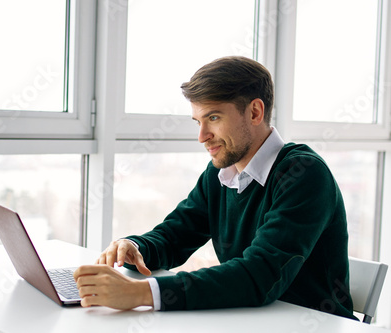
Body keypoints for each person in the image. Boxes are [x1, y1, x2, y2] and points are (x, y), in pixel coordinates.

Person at [73, 56, 356, 320]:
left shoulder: (304, 175)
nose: (202, 136)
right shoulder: (222, 173)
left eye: (214, 118)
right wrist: (133, 247)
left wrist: (141, 293)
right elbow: (175, 235)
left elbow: (259, 276)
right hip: (251, 320)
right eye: (198, 121)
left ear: (255, 112)